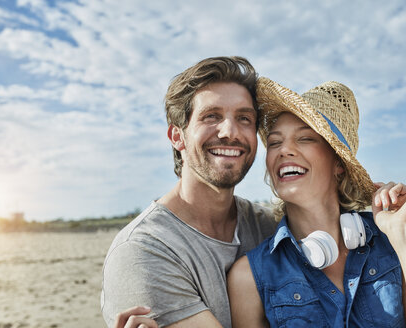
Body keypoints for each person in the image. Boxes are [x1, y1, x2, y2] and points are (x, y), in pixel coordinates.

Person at [227, 78, 406, 327]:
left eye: (305, 138)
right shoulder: (249, 278)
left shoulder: (397, 238)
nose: (284, 150)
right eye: (275, 142)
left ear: (339, 163)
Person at [101, 57, 277, 328]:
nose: (230, 131)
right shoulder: (143, 252)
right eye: (211, 116)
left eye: (244, 118)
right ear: (177, 136)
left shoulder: (270, 228)